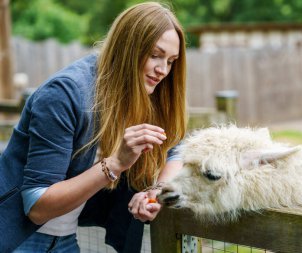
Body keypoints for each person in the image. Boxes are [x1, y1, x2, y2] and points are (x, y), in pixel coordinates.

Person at [0, 2, 187, 252]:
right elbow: (37, 207)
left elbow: (176, 148)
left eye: (171, 61)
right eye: (155, 55)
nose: (163, 70)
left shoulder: (146, 91)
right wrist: (115, 164)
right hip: (16, 238)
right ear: (127, 47)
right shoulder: (64, 95)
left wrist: (156, 192)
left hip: (65, 238)